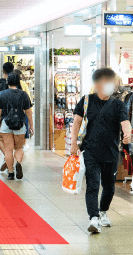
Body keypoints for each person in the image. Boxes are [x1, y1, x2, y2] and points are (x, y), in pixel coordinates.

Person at [70, 68, 131, 234]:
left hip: (111, 153)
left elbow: (125, 122)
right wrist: (73, 143)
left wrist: (127, 134)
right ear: (99, 84)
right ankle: (94, 218)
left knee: (109, 187)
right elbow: (76, 122)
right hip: (90, 151)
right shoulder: (86, 100)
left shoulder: (118, 104)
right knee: (93, 185)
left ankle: (103, 211)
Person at [0, 73, 33, 180]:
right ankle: (18, 163)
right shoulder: (24, 94)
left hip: (6, 124)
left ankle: (11, 173)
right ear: (18, 82)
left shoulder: (2, 94)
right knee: (19, 148)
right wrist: (31, 126)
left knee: (8, 150)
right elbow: (29, 112)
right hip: (20, 124)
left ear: (8, 82)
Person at [13, 69, 32, 147]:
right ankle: (23, 144)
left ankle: (14, 143)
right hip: (23, 110)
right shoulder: (23, 84)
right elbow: (28, 97)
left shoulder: (11, 84)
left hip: (12, 110)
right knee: (24, 127)